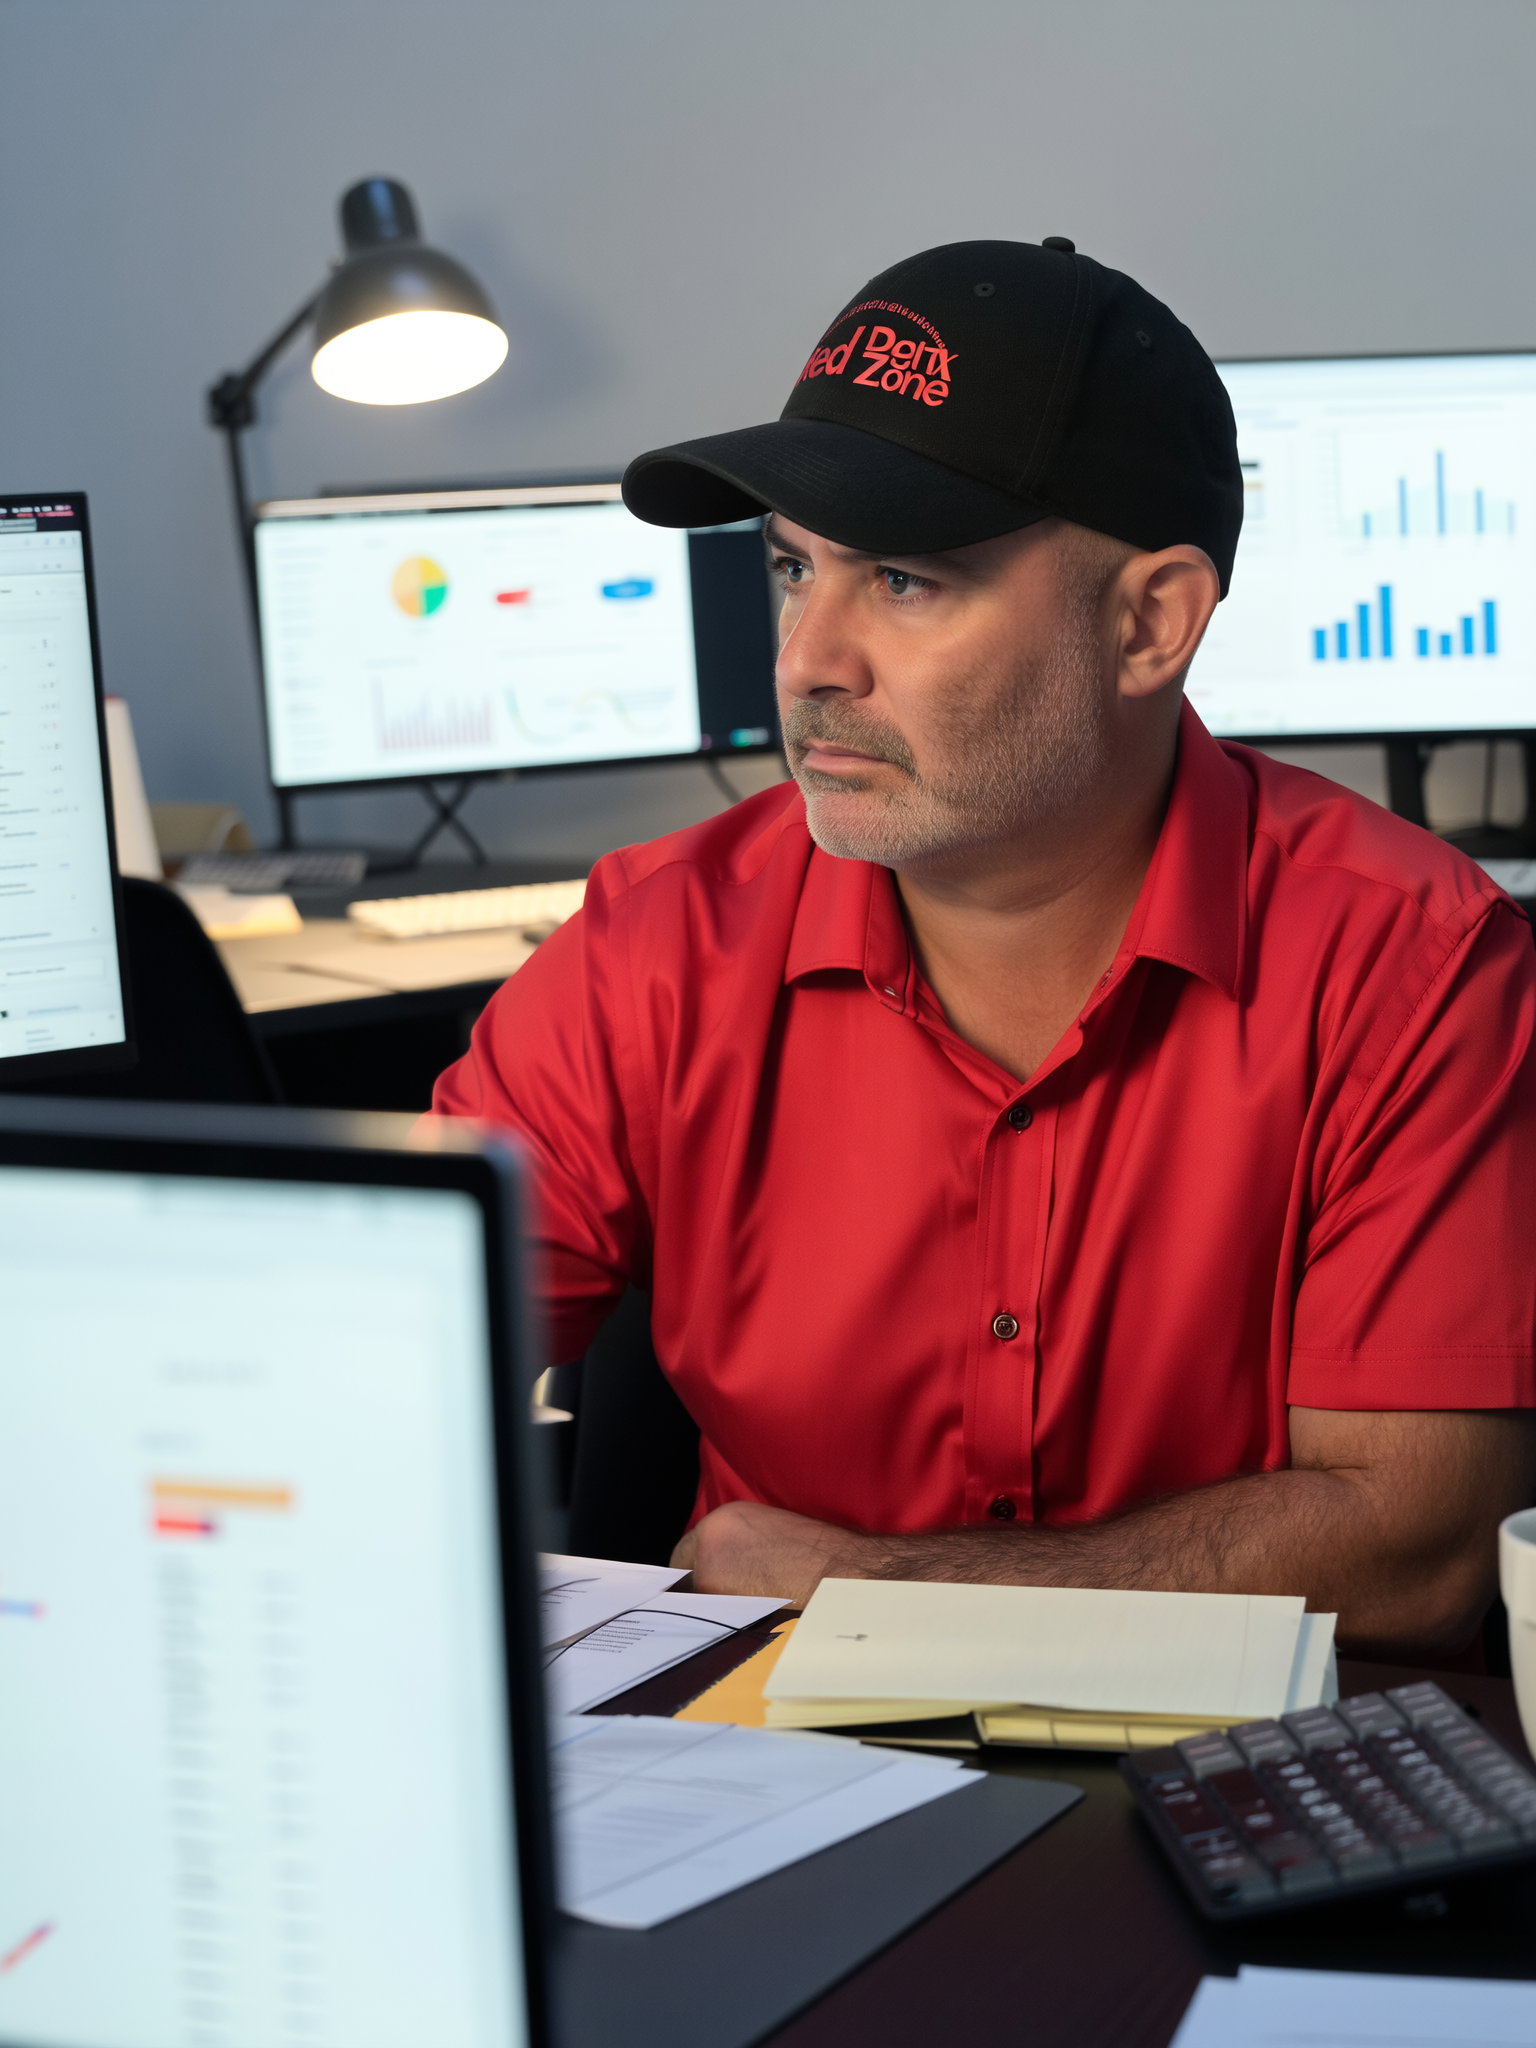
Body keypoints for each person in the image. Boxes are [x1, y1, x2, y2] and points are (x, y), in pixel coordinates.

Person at [433, 239, 1536, 1659]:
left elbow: (1419, 1550)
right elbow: (366, 1367)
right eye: (794, 568)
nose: (807, 661)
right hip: (762, 1757)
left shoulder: (1413, 966)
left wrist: (875, 1590)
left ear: (1150, 623)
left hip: (1233, 1762)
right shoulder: (653, 946)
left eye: (902, 580)